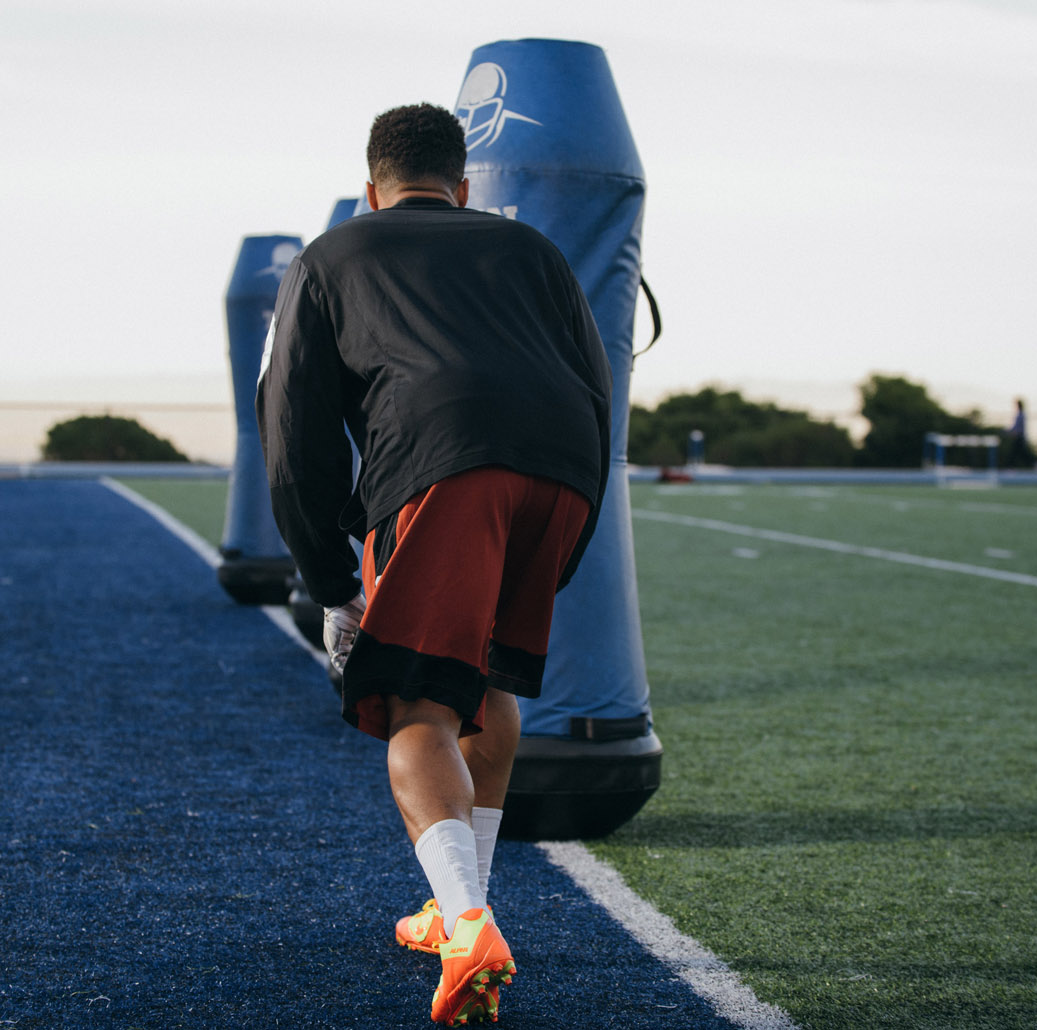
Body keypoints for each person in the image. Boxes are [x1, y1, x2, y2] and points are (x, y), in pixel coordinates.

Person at [255, 102, 612, 1025]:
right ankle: (457, 903)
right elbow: (596, 386)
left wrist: (331, 587)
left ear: (371, 190)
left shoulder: (334, 255)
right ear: (464, 188)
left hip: (444, 463)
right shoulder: (534, 252)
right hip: (564, 471)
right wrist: (570, 529)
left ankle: (465, 918)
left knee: (415, 701)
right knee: (484, 678)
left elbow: (293, 434)